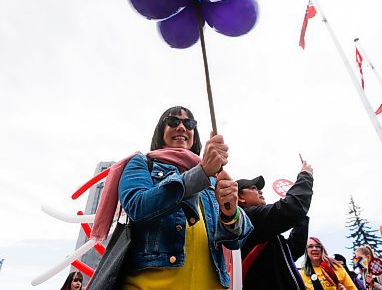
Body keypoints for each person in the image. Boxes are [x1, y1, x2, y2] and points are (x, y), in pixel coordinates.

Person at [117, 105, 253, 289]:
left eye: (189, 123)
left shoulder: (214, 177)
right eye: (173, 121)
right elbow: (137, 207)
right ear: (160, 131)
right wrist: (201, 173)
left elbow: (235, 242)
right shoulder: (142, 163)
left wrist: (230, 213)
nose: (182, 127)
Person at [236, 160, 313, 289]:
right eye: (254, 188)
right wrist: (305, 176)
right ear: (240, 198)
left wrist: (301, 217)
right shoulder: (248, 217)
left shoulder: (262, 225)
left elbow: (293, 250)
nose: (260, 191)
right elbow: (291, 209)